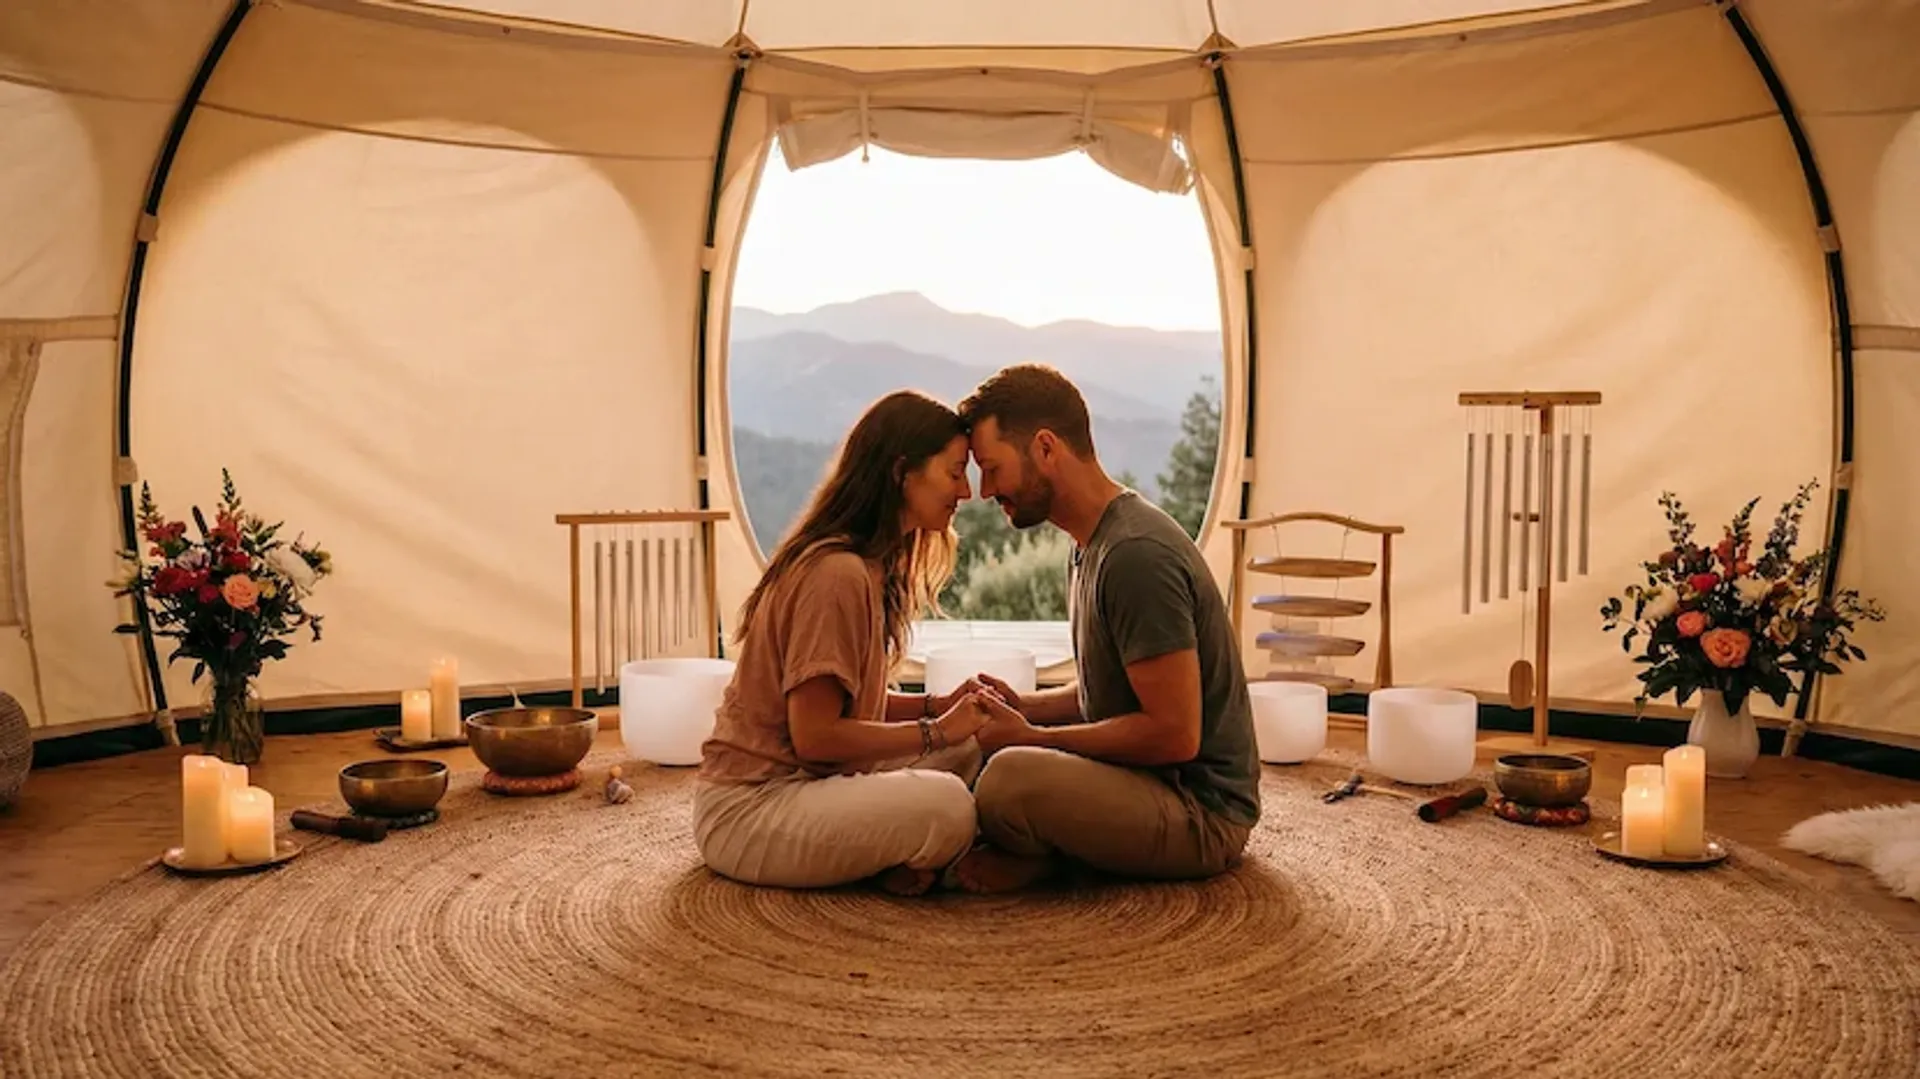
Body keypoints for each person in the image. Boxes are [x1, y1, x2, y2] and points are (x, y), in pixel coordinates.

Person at [947, 363, 1261, 893]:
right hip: (1140, 783)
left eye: (992, 468)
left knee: (1008, 778)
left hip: (1198, 812)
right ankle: (1061, 848)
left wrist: (1033, 737)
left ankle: (1059, 857)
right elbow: (1108, 692)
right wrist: (1023, 708)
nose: (983, 491)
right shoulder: (1089, 544)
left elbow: (1173, 733)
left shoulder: (1136, 556)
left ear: (1046, 448)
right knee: (969, 746)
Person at [692, 389, 995, 896]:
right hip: (749, 809)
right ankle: (886, 854)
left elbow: (856, 709)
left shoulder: (870, 567)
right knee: (949, 807)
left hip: (814, 785)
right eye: (954, 471)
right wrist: (935, 730)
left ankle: (878, 857)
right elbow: (817, 737)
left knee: (970, 749)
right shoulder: (837, 575)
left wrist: (941, 706)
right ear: (902, 472)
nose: (965, 491)